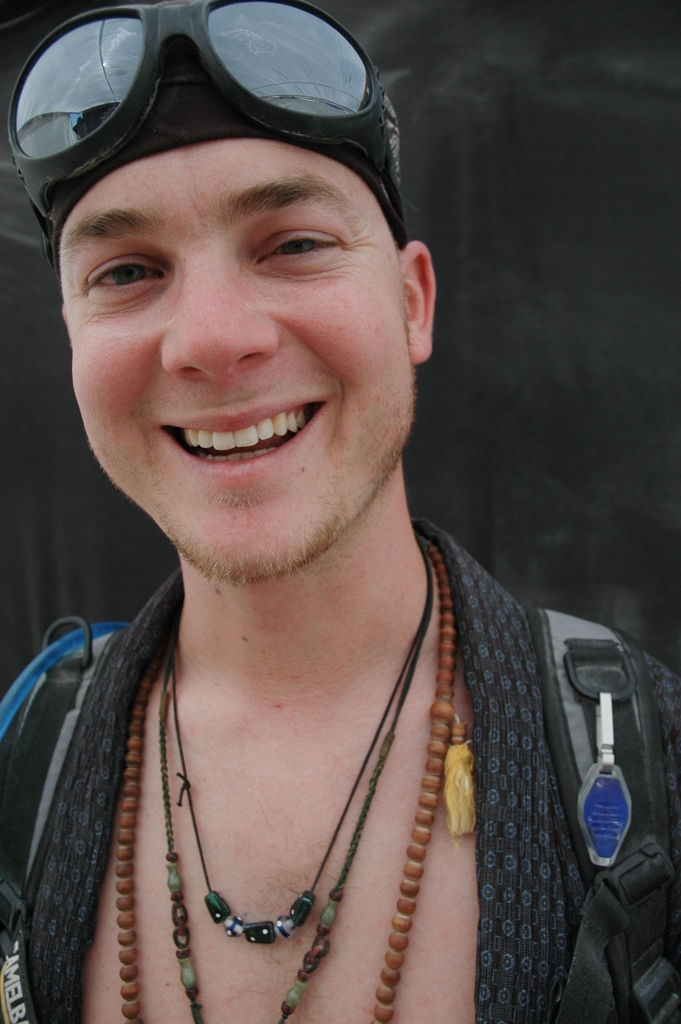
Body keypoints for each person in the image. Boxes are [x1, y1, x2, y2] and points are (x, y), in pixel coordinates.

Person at [3, 3, 680, 1024]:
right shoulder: (27, 764)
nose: (211, 339)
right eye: (128, 271)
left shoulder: (649, 762)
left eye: (293, 242)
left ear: (412, 302)